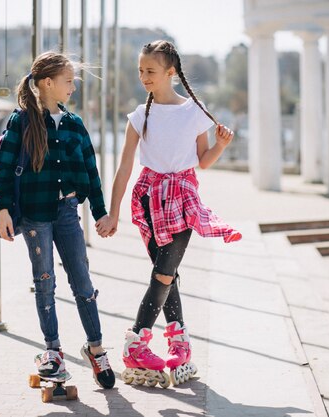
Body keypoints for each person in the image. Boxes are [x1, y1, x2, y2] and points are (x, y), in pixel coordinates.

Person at [98, 40, 242, 387]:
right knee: (167, 272)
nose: (144, 77)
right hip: (148, 199)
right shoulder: (140, 116)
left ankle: (137, 340)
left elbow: (203, 161)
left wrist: (221, 145)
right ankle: (180, 344)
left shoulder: (193, 111)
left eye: (150, 71)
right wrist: (112, 213)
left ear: (170, 72)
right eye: (140, 71)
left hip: (183, 197)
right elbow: (124, 167)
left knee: (164, 273)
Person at [0, 51, 115, 389]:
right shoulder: (21, 121)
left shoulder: (75, 125)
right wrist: (4, 208)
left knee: (83, 282)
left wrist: (101, 211)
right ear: (48, 83)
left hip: (66, 212)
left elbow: (90, 172)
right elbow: (4, 167)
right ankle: (53, 351)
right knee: (44, 281)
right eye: (68, 81)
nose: (73, 87)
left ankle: (96, 348)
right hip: (34, 214)